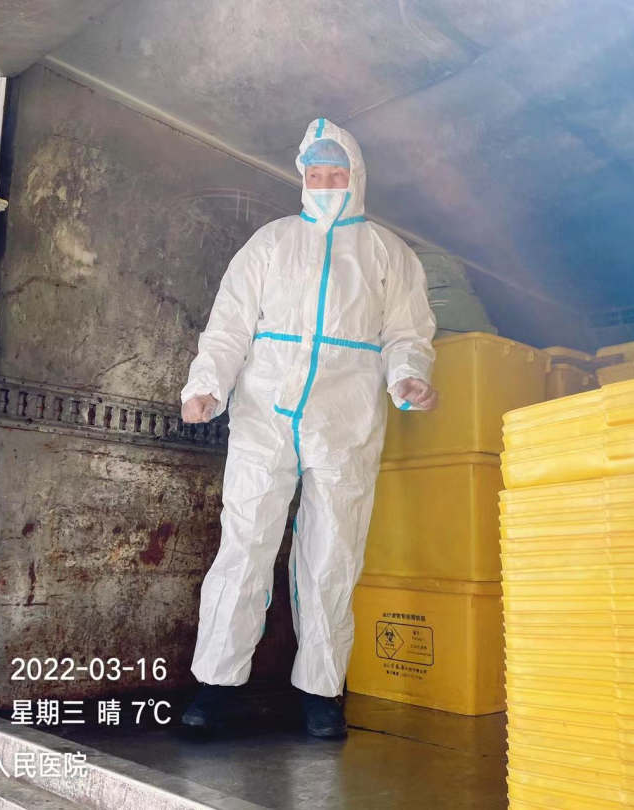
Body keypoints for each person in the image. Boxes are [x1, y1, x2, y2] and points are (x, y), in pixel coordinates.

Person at [179, 118, 438, 738]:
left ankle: (321, 691)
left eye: (336, 174)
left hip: (345, 416)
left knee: (334, 552)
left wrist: (408, 376)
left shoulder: (386, 252)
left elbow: (407, 332)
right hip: (265, 412)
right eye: (315, 174)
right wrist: (206, 385)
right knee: (244, 543)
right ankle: (214, 685)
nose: (325, 184)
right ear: (302, 177)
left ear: (356, 178)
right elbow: (230, 324)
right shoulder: (271, 242)